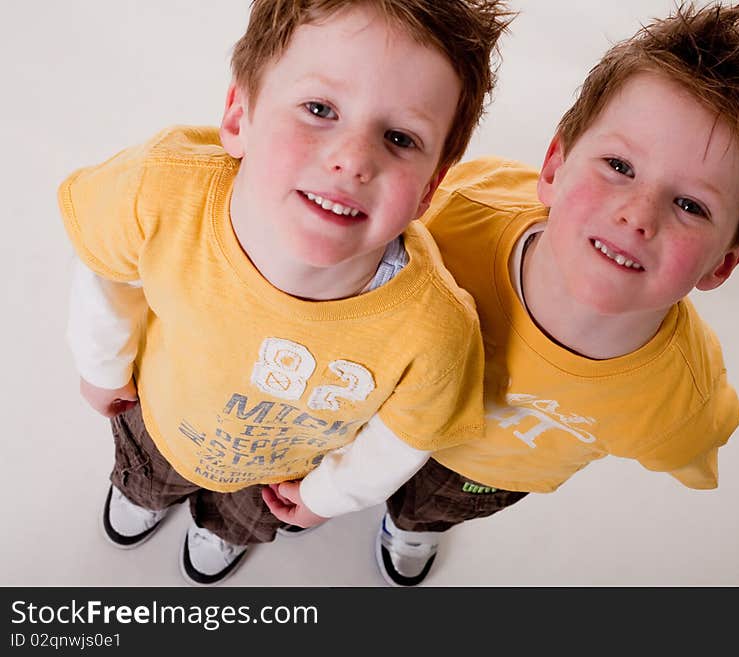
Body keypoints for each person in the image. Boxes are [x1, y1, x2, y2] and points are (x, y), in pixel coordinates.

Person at [59, 0, 513, 586]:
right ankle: (146, 496)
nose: (353, 160)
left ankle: (219, 531)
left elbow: (405, 437)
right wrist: (101, 364)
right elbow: (107, 267)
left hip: (278, 470)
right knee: (145, 471)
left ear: (430, 189)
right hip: (157, 410)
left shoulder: (435, 329)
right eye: (320, 109)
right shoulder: (161, 189)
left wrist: (331, 495)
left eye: (400, 138)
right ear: (238, 116)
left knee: (240, 518)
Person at [375, 1, 739, 586]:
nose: (637, 215)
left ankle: (413, 526)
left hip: (487, 472)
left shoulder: (681, 395)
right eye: (619, 166)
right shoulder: (457, 211)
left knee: (431, 504)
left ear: (725, 260)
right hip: (382, 406)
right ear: (553, 168)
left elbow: (697, 438)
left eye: (690, 205)